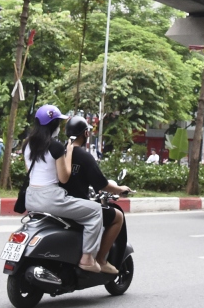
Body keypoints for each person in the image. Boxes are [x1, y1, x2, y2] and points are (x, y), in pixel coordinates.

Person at [21, 104, 107, 273]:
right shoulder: (56, 147)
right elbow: (64, 177)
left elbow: (31, 173)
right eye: (58, 123)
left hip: (31, 199)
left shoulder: (27, 144)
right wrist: (66, 154)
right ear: (53, 125)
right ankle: (87, 258)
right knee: (96, 210)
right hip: (50, 199)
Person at [62, 115, 130, 274]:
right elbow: (102, 184)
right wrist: (120, 189)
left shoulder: (60, 151)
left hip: (56, 202)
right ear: (85, 134)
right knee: (117, 217)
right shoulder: (85, 156)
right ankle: (100, 259)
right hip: (77, 205)